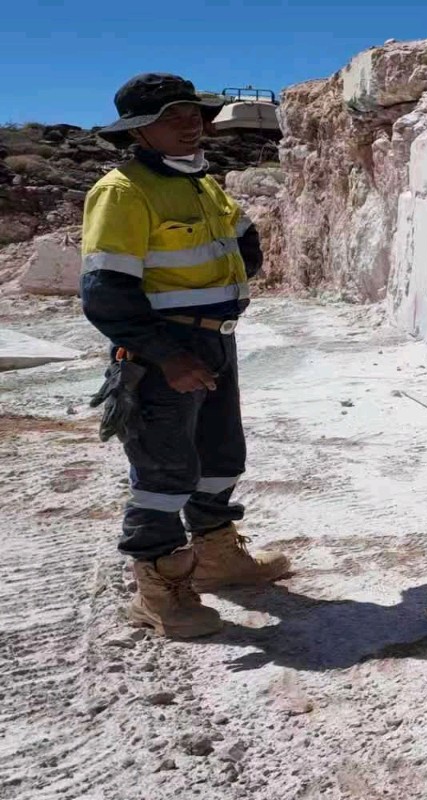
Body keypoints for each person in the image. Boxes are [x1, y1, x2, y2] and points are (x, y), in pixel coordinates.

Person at [80, 74, 291, 639]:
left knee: (221, 456)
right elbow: (105, 294)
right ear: (138, 131)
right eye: (170, 115)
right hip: (163, 351)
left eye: (191, 111)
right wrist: (167, 356)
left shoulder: (201, 182)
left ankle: (217, 554)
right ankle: (158, 589)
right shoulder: (123, 192)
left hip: (214, 340)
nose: (188, 122)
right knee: (164, 472)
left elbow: (245, 243)